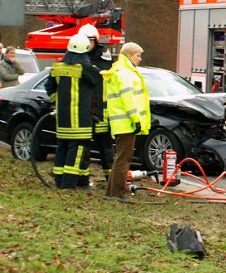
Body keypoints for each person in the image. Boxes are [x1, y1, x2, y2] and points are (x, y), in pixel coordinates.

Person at [44, 34, 99, 188]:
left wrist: (60, 102)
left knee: (62, 149)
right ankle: (68, 185)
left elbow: (50, 89)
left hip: (62, 120)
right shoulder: (85, 68)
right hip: (80, 120)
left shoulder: (57, 67)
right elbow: (98, 79)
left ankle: (60, 182)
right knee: (77, 151)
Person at [104, 42, 151, 200]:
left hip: (122, 123)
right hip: (126, 123)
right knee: (123, 159)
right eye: (138, 55)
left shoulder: (122, 70)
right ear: (129, 55)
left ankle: (111, 192)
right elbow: (128, 98)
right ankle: (117, 193)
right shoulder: (124, 73)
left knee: (121, 158)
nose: (140, 58)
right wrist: (136, 119)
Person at [79, 23, 115, 187]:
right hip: (86, 112)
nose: (88, 44)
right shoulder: (77, 57)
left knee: (107, 151)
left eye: (90, 40)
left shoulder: (105, 58)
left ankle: (112, 183)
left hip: (103, 112)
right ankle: (82, 181)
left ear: (96, 41)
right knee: (83, 150)